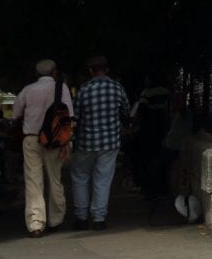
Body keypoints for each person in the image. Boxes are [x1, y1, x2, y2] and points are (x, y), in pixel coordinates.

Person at [11, 59, 73, 237]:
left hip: (31, 139)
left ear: (36, 75)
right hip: (54, 140)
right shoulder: (62, 89)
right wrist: (66, 142)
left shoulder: (27, 90)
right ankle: (56, 219)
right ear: (55, 73)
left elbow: (15, 114)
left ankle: (36, 223)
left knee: (33, 181)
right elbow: (69, 116)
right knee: (55, 179)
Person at [71, 56, 129, 231]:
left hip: (85, 142)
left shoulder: (84, 89)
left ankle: (81, 218)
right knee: (103, 180)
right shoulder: (117, 88)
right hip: (110, 142)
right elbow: (126, 110)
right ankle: (99, 218)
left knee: (80, 178)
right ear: (107, 69)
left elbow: (76, 116)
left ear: (90, 71)